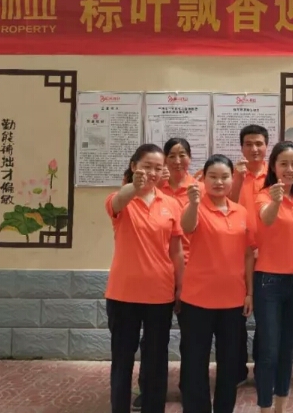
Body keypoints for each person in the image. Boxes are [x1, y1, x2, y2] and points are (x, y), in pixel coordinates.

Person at [104, 143, 184, 413]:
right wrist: (133, 187)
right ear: (133, 166)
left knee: (156, 360)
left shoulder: (171, 204)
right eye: (146, 166)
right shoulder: (121, 199)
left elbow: (176, 250)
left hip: (160, 294)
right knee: (122, 359)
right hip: (123, 294)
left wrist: (180, 287)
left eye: (157, 168)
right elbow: (118, 202)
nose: (152, 173)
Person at [179, 155, 255, 413]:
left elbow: (248, 254)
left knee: (229, 364)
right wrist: (193, 203)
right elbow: (187, 226)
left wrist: (249, 292)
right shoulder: (195, 207)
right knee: (194, 363)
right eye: (213, 176)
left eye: (224, 177)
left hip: (232, 301)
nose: (219, 182)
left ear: (233, 179)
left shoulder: (241, 212)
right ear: (204, 178)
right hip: (197, 301)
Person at [132, 138, 202, 411]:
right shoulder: (152, 187)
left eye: (182, 155)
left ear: (190, 158)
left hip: (193, 270)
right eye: (171, 155)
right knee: (152, 339)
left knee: (191, 336)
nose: (177, 161)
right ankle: (148, 390)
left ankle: (189, 387)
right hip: (158, 271)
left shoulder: (199, 188)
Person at [253, 141, 293, 413]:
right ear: (273, 167)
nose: (290, 169)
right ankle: (264, 407)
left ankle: (280, 405)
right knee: (268, 350)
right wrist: (277, 201)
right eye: (283, 164)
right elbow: (266, 219)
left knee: (288, 348)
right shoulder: (264, 195)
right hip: (269, 282)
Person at [229, 124, 270, 386]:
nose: (254, 149)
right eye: (248, 144)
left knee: (266, 316)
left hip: (269, 256)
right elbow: (228, 204)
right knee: (236, 317)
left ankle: (263, 368)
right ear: (242, 147)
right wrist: (237, 178)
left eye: (259, 144)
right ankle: (237, 368)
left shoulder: (274, 175)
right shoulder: (233, 175)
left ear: (266, 146)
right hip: (237, 255)